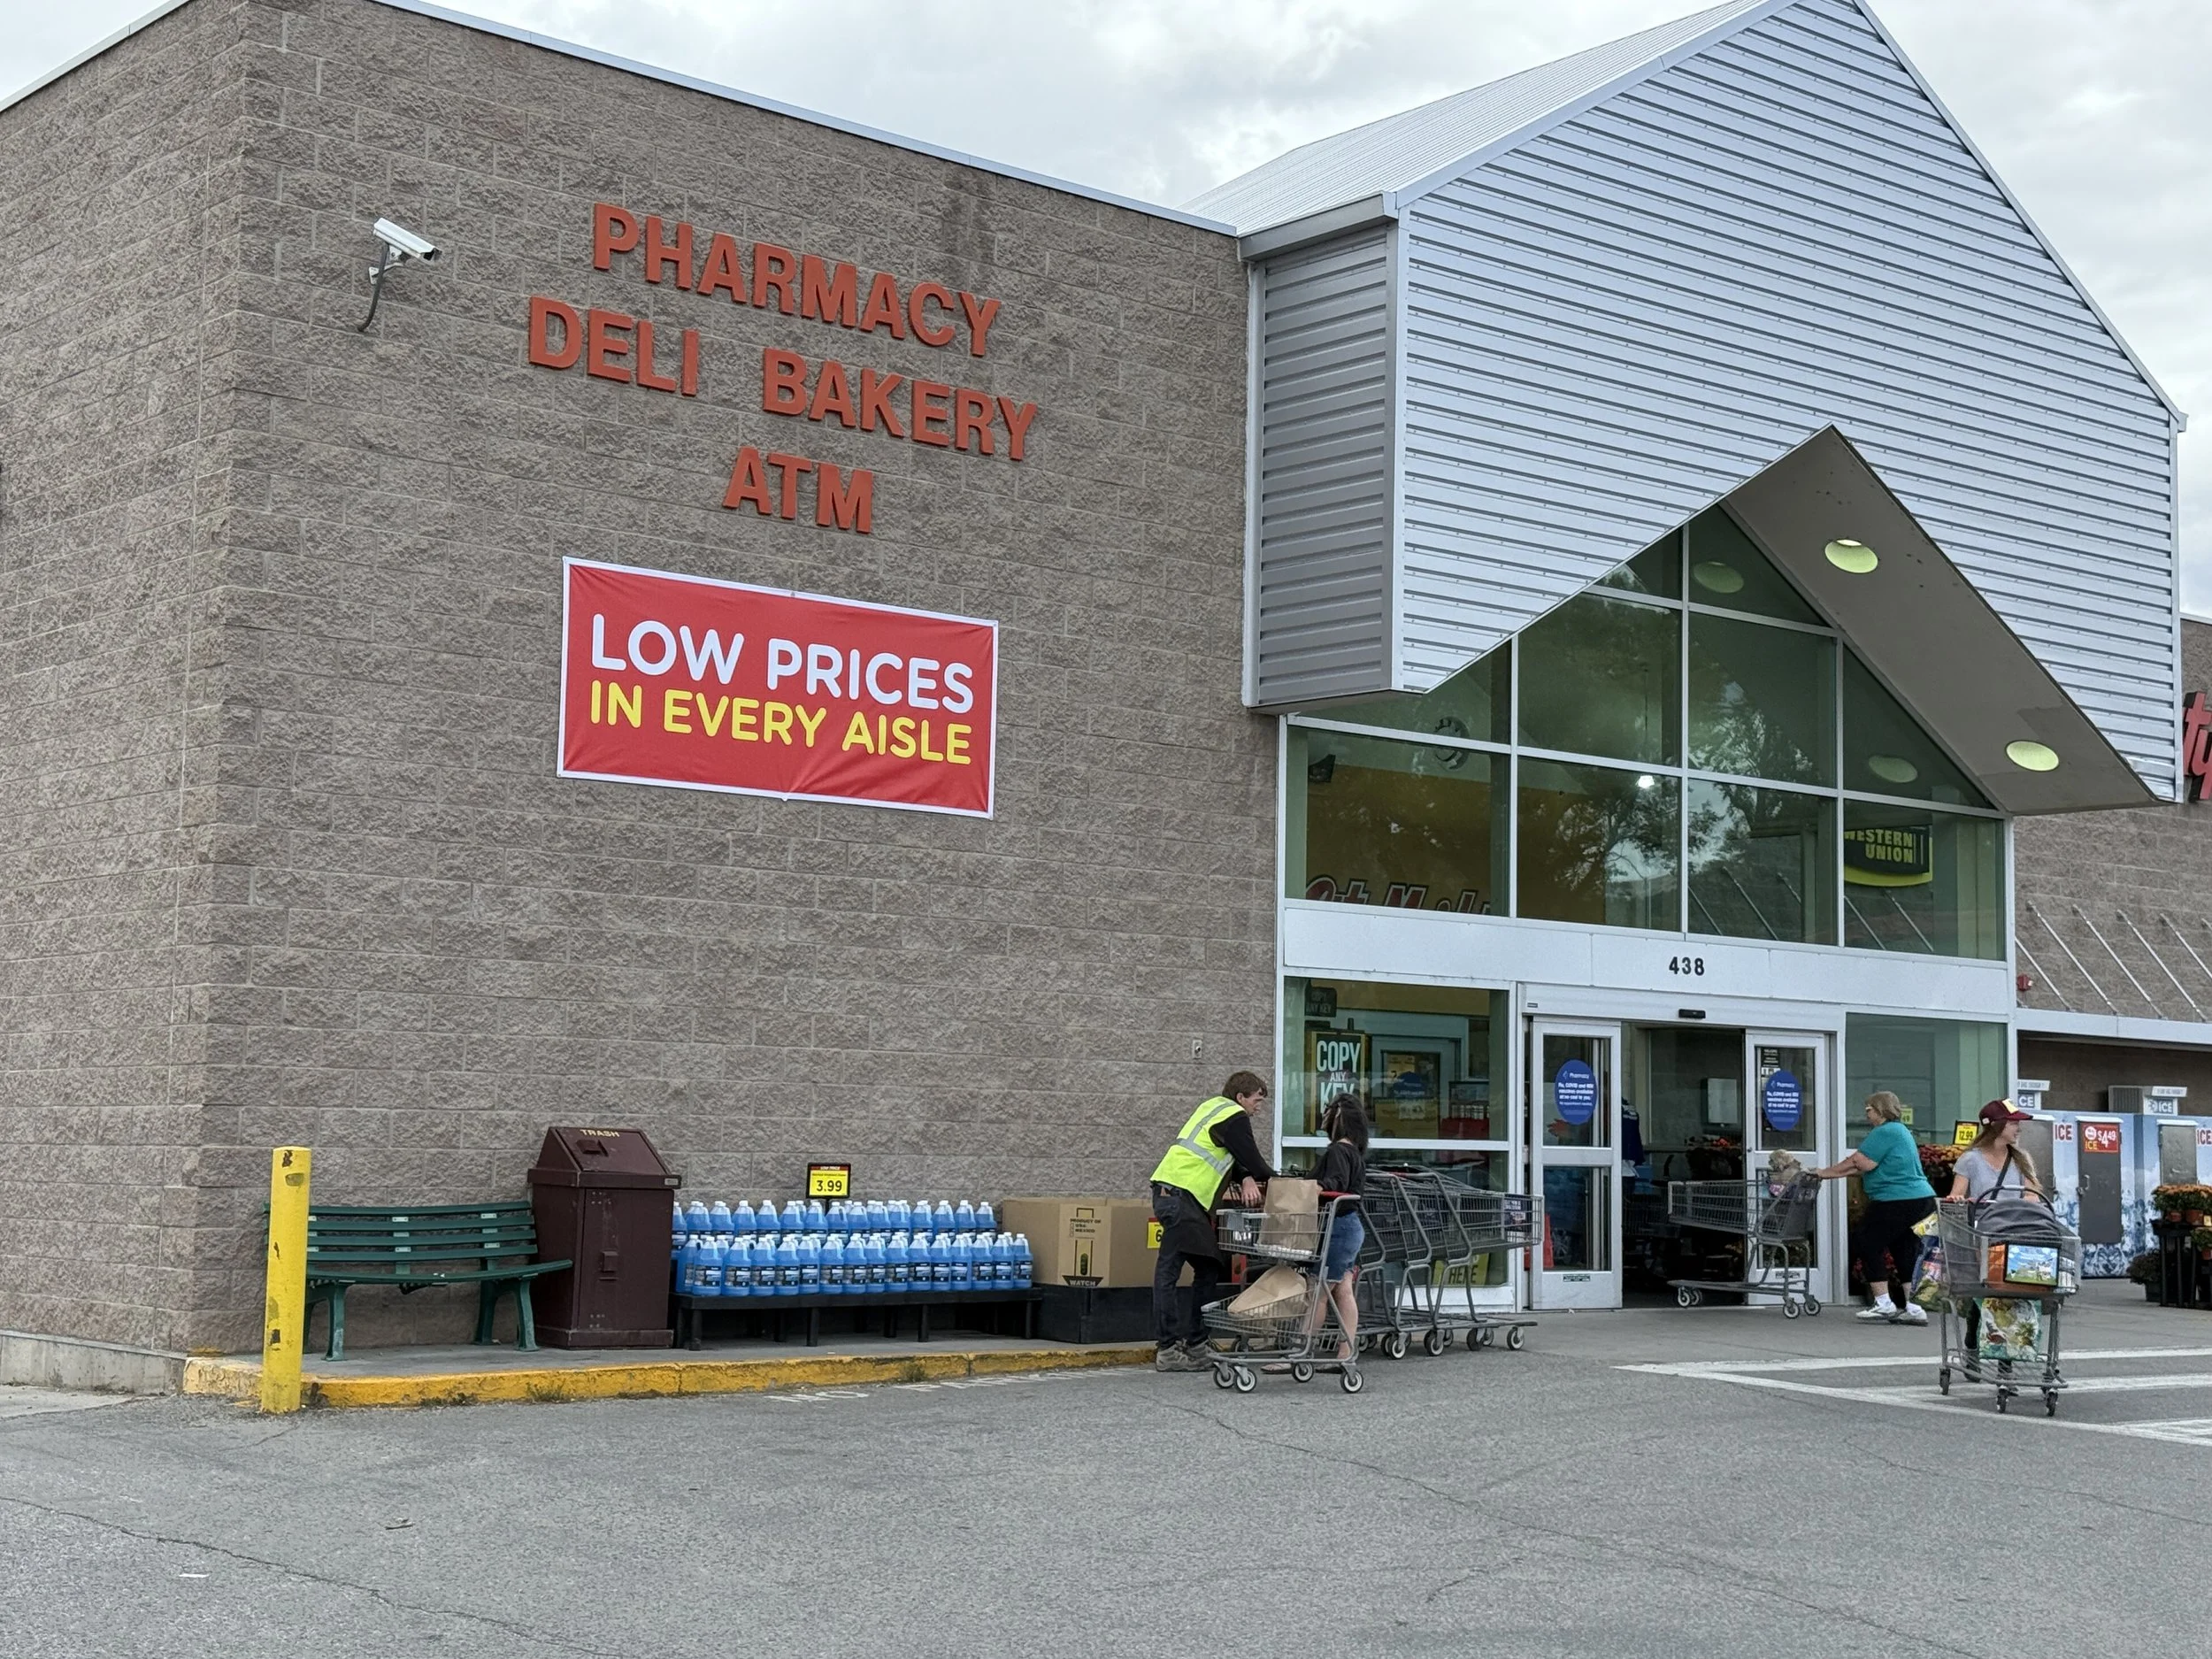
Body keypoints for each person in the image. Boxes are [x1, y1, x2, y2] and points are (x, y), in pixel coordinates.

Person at [1149, 1071, 1276, 1371]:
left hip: (1172, 1194)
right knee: (1172, 1271)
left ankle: (1192, 1344)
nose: (1259, 1107)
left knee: (1205, 1267)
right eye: (1257, 1100)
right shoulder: (1234, 1116)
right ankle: (1171, 1348)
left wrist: (1244, 1176)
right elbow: (1254, 1159)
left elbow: (1230, 1155)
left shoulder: (1212, 1109)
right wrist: (1284, 1182)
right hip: (1183, 1198)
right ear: (1240, 1098)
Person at [1813, 1091, 1936, 1325]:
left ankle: (1883, 1303)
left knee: (1866, 1240)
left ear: (1880, 1109)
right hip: (1920, 1199)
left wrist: (1822, 1173)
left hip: (1897, 1199)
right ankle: (1914, 1307)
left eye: (1869, 1109)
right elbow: (1863, 1167)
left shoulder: (1886, 1131)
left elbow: (1859, 1162)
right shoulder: (1901, 1131)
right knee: (1903, 1248)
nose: (1866, 1114)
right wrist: (1831, 1175)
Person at [1310, 1094, 1369, 1361]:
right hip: (1351, 1227)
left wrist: (1311, 1187)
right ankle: (1345, 1354)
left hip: (1339, 1228)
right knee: (1343, 1291)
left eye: (1327, 1112)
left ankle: (1300, 1353)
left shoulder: (1337, 1151)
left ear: (1337, 1119)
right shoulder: (1354, 1152)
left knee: (1318, 1293)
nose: (1323, 1117)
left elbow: (1336, 1182)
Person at [1949, 1099, 2042, 1202]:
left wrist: (2015, 1205)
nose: (2019, 1129)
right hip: (1982, 1218)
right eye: (2014, 1123)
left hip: (2013, 1217)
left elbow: (2033, 1196)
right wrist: (1959, 1199)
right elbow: (1956, 1198)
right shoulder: (1970, 1159)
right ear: (1996, 1124)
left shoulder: (2021, 1158)